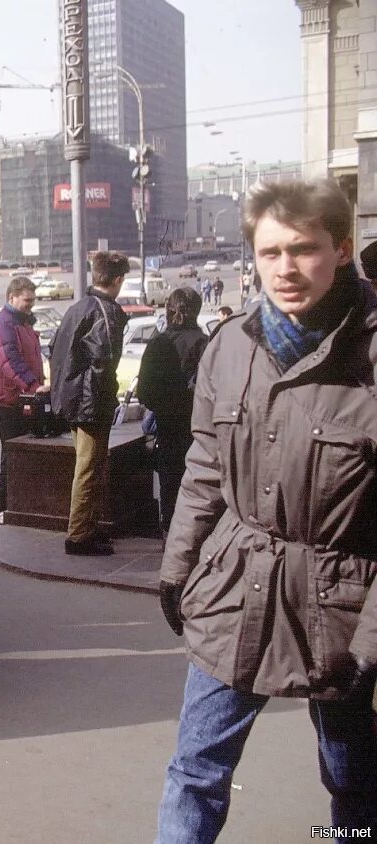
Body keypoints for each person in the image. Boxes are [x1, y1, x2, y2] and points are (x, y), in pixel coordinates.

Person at [156, 180, 377, 842]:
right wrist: (178, 567)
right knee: (195, 770)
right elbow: (205, 468)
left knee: (351, 777)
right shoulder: (230, 346)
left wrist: (371, 636)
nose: (285, 268)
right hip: (236, 590)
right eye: (270, 250)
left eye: (304, 249)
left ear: (341, 251)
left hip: (339, 606)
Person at [48, 250, 129, 556]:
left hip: (72, 400)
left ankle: (87, 527)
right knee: (89, 469)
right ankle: (79, 535)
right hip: (91, 404)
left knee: (88, 467)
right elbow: (104, 362)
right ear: (118, 279)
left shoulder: (77, 307)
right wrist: (106, 401)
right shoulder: (105, 311)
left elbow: (55, 349)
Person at [135, 287, 207, 537]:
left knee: (170, 483)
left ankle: (171, 534)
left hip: (167, 424)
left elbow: (144, 390)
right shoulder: (205, 343)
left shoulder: (158, 343)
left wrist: (164, 405)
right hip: (199, 427)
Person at [0, 275, 47, 525]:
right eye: (27, 300)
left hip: (22, 398)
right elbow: (10, 360)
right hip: (10, 400)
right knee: (11, 454)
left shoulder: (21, 322)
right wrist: (34, 386)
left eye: (33, 300)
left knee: (22, 453)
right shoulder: (4, 324)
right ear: (12, 297)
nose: (30, 305)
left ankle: (17, 505)